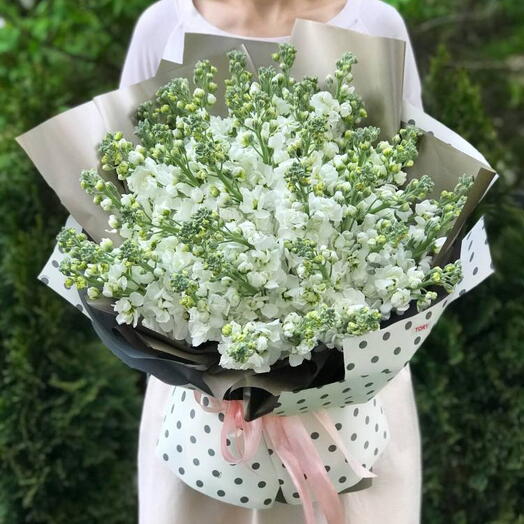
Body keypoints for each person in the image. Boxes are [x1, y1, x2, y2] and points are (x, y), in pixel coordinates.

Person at [120, 1, 423, 522]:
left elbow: (412, 191)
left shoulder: (375, 24)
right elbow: (126, 192)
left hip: (353, 379)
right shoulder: (164, 24)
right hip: (203, 399)